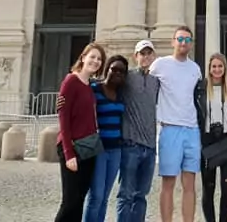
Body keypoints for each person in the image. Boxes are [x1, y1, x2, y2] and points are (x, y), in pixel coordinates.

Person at [149, 26, 203, 222]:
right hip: (170, 128)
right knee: (168, 183)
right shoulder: (160, 65)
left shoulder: (195, 69)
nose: (183, 43)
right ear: (173, 41)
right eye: (180, 39)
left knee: (190, 184)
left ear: (191, 44)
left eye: (187, 40)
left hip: (192, 129)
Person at [56, 43, 106, 222]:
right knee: (69, 202)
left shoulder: (89, 85)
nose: (96, 61)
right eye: (92, 56)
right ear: (83, 57)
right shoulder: (71, 80)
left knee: (79, 200)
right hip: (73, 147)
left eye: (99, 59)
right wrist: (69, 154)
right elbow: (63, 118)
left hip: (88, 148)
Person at [117, 40, 160, 222]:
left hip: (150, 147)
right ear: (135, 56)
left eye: (149, 53)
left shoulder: (156, 81)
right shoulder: (127, 77)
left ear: (154, 56)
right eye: (142, 53)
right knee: (126, 194)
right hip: (130, 145)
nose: (146, 57)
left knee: (141, 196)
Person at [84, 55, 128, 222]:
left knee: (105, 197)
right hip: (99, 149)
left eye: (121, 71)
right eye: (114, 69)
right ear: (107, 69)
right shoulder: (94, 89)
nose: (117, 73)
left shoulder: (121, 94)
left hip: (116, 149)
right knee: (96, 195)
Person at [195, 53, 227, 222]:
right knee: (208, 188)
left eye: (220, 66)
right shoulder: (201, 89)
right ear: (209, 68)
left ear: (225, 68)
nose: (217, 69)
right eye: (214, 66)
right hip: (208, 141)